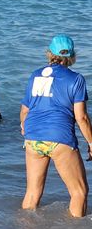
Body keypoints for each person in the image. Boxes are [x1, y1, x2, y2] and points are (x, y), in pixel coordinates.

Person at [20, 34, 92, 217]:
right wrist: (91, 142)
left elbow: (24, 111)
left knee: (32, 193)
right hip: (60, 139)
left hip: (33, 139)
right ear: (72, 56)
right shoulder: (76, 79)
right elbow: (81, 117)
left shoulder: (35, 75)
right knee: (79, 192)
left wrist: (24, 127)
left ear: (50, 53)